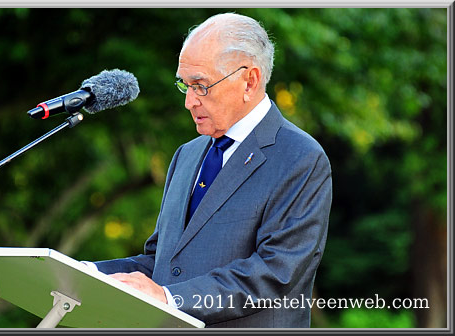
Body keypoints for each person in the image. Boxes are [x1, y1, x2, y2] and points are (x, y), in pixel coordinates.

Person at [87, 12, 332, 328]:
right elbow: (160, 265)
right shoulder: (186, 155)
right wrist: (81, 274)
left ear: (250, 80)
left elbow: (274, 273)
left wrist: (170, 298)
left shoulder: (301, 158)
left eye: (201, 85)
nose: (189, 101)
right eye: (184, 85)